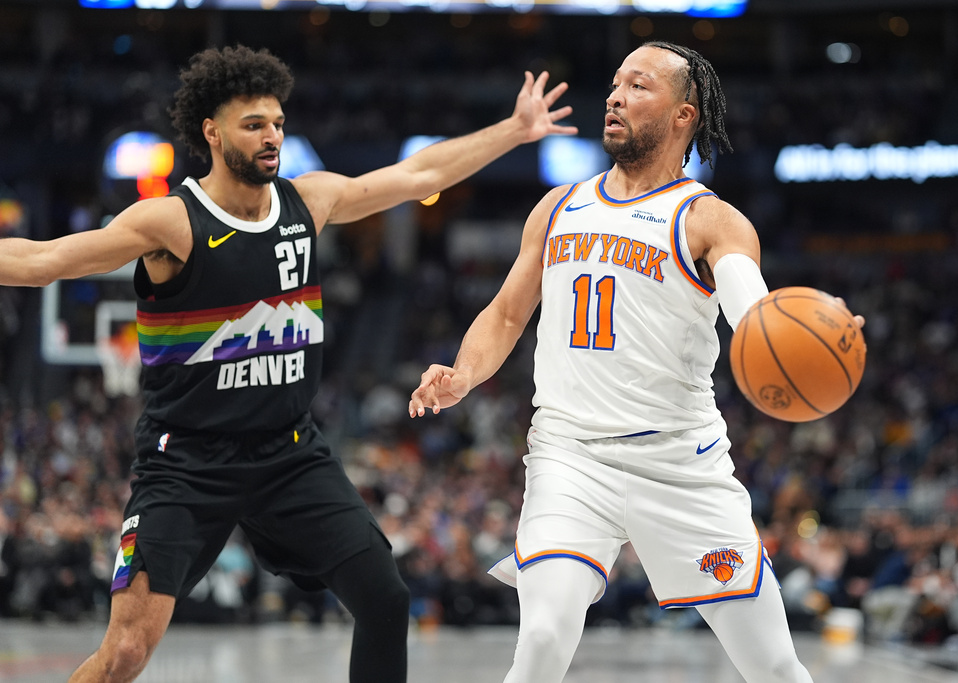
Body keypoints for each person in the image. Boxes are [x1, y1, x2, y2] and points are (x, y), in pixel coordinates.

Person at [0, 45, 576, 683]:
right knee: (127, 653)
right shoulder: (171, 222)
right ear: (212, 133)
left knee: (384, 599)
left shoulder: (310, 201)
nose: (272, 135)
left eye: (277, 122)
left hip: (289, 454)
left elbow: (420, 175)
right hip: (187, 461)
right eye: (254, 125)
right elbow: (42, 261)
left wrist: (516, 130)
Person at [409, 41, 865, 683]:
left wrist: (819, 330)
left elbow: (758, 322)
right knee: (541, 637)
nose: (615, 96)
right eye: (616, 84)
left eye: (639, 86)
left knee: (773, 666)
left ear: (683, 114)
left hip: (681, 465)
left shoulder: (712, 220)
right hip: (571, 456)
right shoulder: (558, 207)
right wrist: (463, 374)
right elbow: (508, 313)